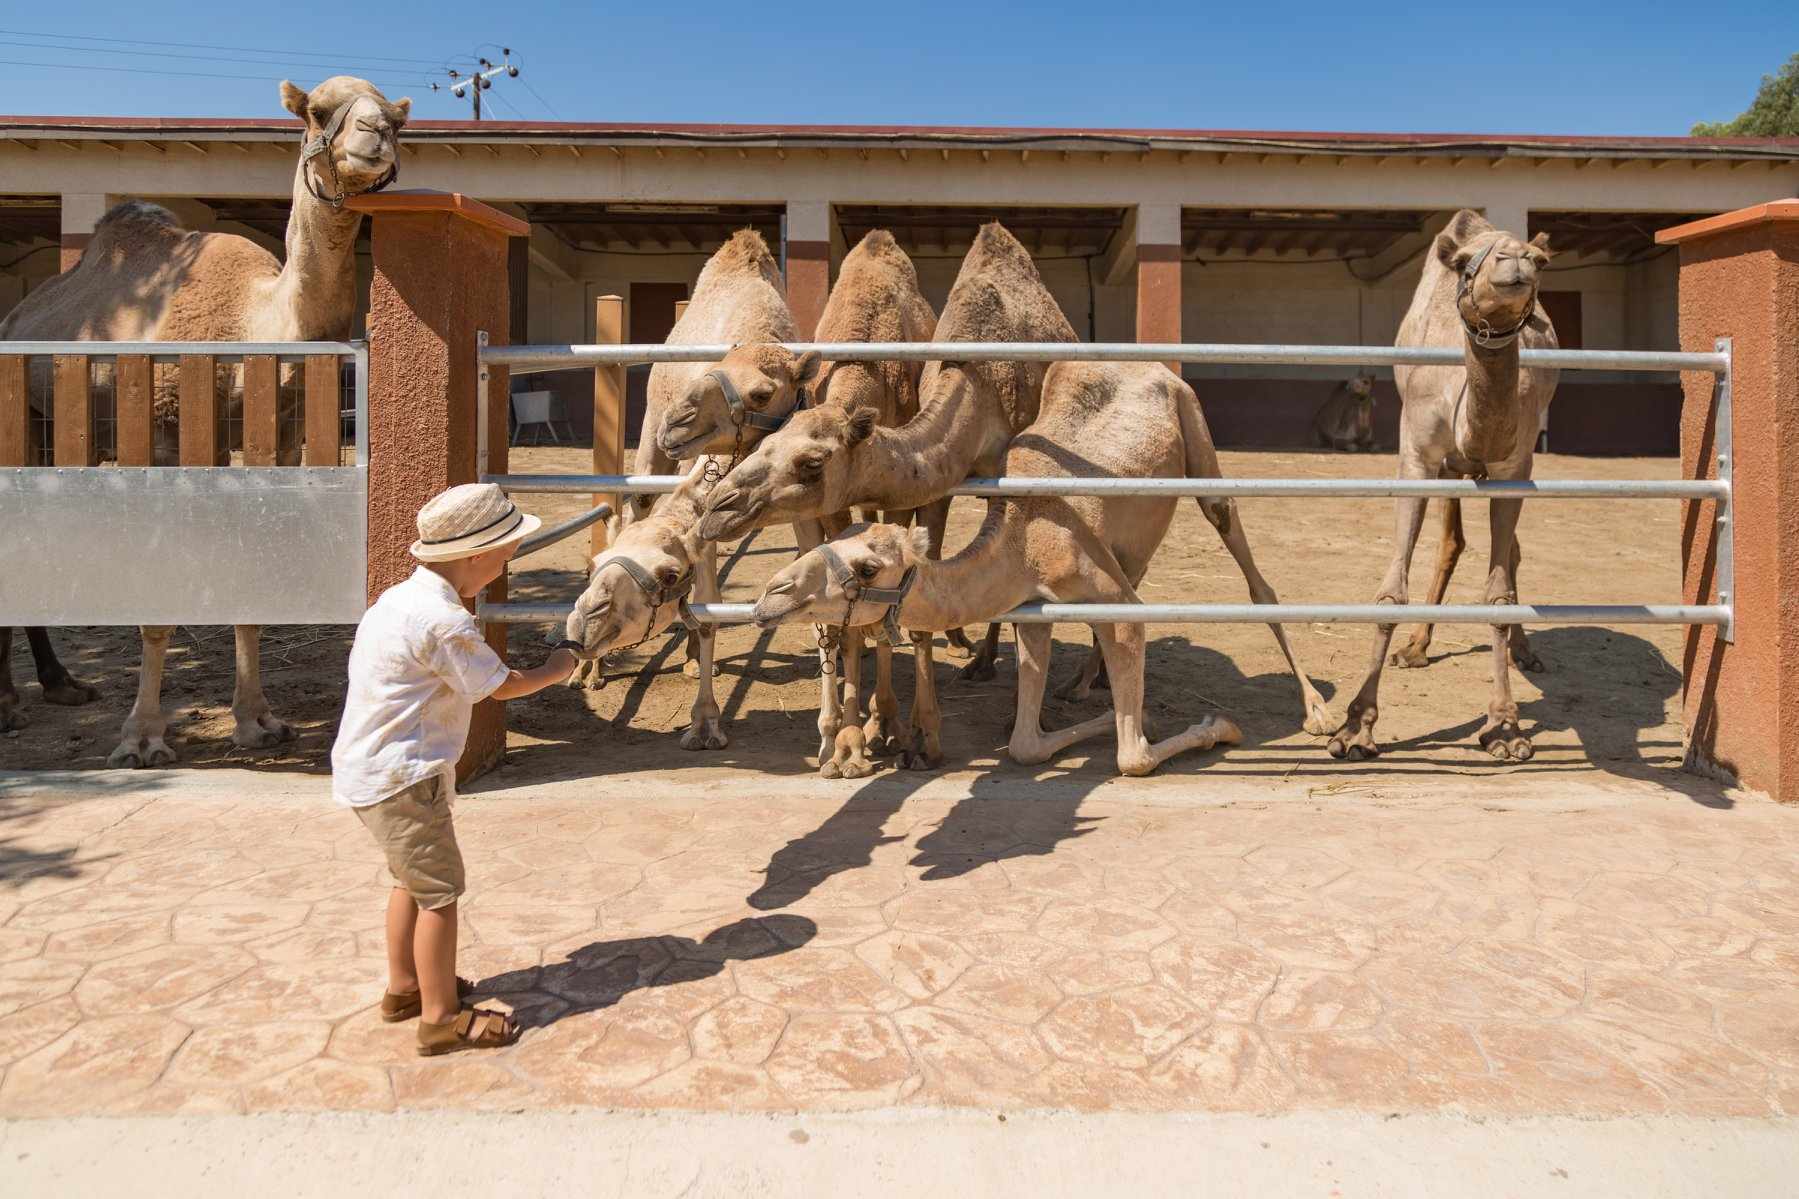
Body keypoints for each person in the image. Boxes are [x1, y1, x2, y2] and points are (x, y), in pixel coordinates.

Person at [331, 482, 579, 1055]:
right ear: (474, 556)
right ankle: (441, 1019)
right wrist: (558, 666)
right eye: (505, 550)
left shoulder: (396, 600)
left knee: (411, 883)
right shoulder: (445, 623)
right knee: (441, 894)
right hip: (404, 778)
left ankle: (405, 988)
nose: (508, 560)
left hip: (372, 772)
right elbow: (502, 686)